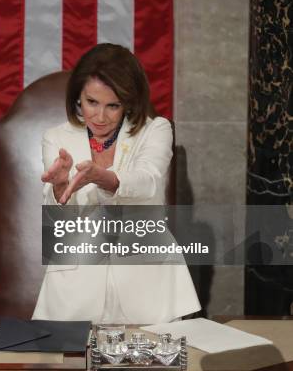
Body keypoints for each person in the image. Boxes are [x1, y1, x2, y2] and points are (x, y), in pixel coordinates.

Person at [32, 43, 200, 324]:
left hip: (150, 284)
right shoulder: (56, 137)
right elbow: (60, 217)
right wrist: (60, 188)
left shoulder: (154, 130)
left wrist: (105, 178)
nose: (100, 117)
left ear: (130, 102)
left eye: (113, 106)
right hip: (75, 286)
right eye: (91, 102)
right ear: (78, 98)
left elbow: (149, 182)